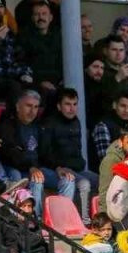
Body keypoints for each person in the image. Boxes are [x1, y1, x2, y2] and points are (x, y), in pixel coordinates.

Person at [40, 87, 96, 221]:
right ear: (59, 106)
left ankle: (101, 221)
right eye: (67, 104)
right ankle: (84, 222)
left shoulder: (76, 122)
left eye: (75, 104)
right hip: (56, 169)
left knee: (100, 180)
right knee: (84, 183)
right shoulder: (49, 123)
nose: (72, 108)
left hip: (77, 168)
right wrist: (58, 167)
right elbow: (44, 153)